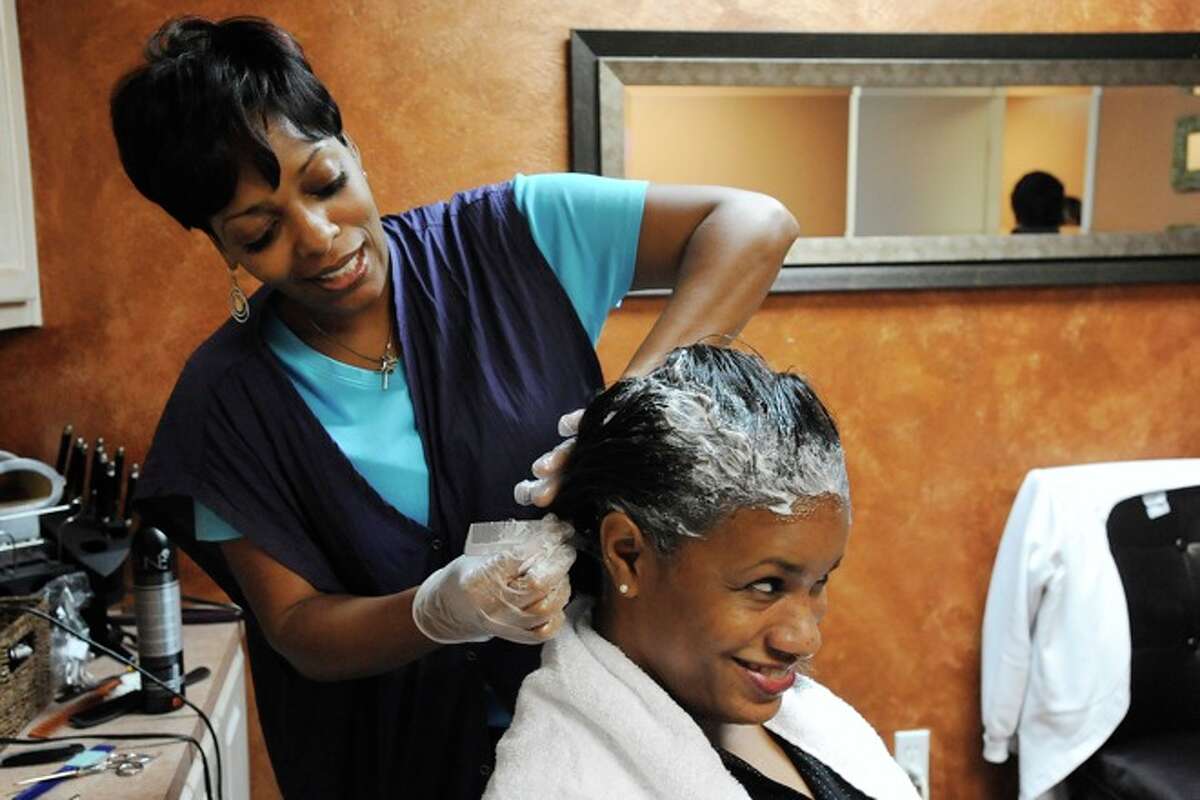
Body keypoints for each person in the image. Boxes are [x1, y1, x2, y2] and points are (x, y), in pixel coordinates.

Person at [110, 15, 797, 800]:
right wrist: (437, 609)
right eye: (261, 231)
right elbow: (298, 630)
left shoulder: (516, 238)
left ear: (353, 148)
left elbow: (753, 224)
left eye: (327, 183)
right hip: (391, 772)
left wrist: (628, 410)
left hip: (602, 754)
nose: (321, 238)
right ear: (219, 245)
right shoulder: (225, 404)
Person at [485, 345, 919, 800]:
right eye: (766, 585)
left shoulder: (815, 728)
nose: (805, 639)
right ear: (629, 553)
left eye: (820, 581)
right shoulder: (561, 784)